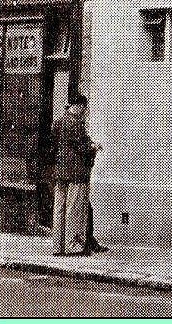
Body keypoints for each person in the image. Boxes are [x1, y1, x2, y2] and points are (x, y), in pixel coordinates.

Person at [51, 95, 100, 256]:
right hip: (76, 173)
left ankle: (58, 247)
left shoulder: (58, 121)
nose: (84, 112)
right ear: (79, 106)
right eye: (84, 108)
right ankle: (73, 247)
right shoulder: (76, 123)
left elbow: (54, 144)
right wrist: (94, 147)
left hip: (60, 172)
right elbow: (82, 147)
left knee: (59, 209)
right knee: (74, 209)